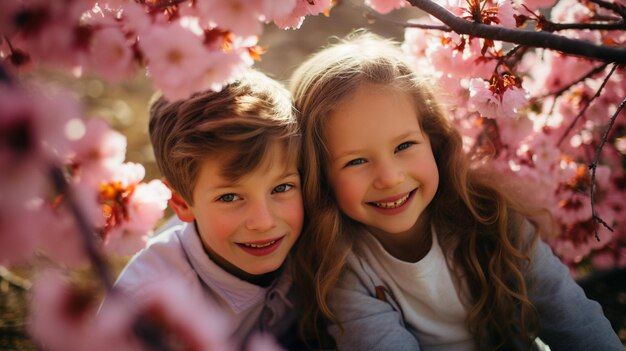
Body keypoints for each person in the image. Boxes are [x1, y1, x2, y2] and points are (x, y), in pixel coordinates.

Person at [289, 31, 623, 351]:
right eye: (356, 161)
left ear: (433, 140)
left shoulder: (489, 216)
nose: (389, 178)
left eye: (404, 145)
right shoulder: (343, 267)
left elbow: (571, 317)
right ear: (321, 177)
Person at [113, 70, 304, 349]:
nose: (263, 222)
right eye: (229, 197)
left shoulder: (316, 233)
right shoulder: (146, 311)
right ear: (181, 203)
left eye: (281, 188)